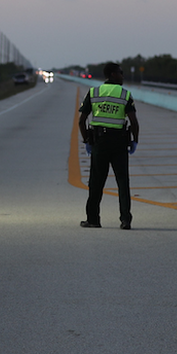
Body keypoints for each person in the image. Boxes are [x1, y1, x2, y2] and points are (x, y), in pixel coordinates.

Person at [78, 63, 140, 230]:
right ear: (113, 74)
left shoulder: (93, 92)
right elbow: (133, 122)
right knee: (122, 182)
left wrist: (87, 141)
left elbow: (81, 121)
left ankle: (93, 219)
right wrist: (135, 140)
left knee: (96, 182)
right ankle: (125, 220)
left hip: (99, 142)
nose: (123, 76)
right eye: (121, 73)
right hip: (119, 142)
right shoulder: (125, 94)